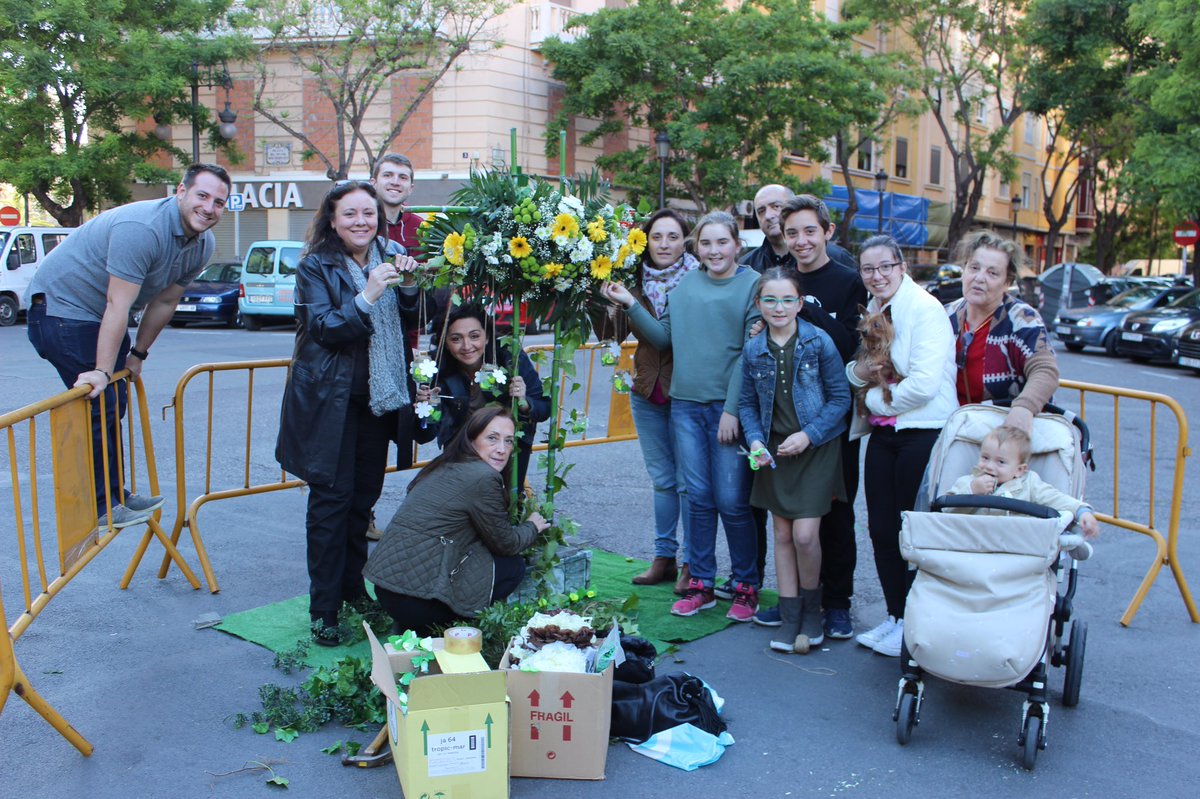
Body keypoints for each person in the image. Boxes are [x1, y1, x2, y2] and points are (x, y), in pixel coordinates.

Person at [26, 163, 232, 528]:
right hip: (61, 311)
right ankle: (102, 507)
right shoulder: (142, 229)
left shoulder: (202, 245)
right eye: (202, 196)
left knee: (112, 401)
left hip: (95, 317)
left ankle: (114, 495)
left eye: (219, 202)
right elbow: (117, 304)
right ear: (180, 192)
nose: (209, 208)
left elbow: (165, 303)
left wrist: (137, 355)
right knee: (98, 399)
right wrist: (103, 371)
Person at [275, 180, 426, 647]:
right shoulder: (315, 266)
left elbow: (412, 316)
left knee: (362, 503)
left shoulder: (390, 253)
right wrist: (369, 294)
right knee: (329, 508)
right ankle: (324, 609)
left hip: (376, 404)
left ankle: (353, 590)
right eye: (350, 214)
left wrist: (409, 284)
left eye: (368, 213)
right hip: (328, 406)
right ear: (332, 220)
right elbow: (323, 328)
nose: (361, 222)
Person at [602, 211, 762, 622]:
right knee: (700, 499)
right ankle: (702, 585)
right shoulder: (687, 285)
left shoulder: (752, 286)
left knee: (731, 500)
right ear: (698, 249)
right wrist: (630, 305)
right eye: (705, 243)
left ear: (736, 245)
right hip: (686, 407)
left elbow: (749, 354)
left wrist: (732, 410)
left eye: (721, 242)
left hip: (726, 410)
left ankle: (746, 586)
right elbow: (662, 338)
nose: (714, 250)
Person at [748, 195, 868, 640]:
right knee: (788, 523)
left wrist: (808, 310)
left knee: (835, 516)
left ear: (827, 233)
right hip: (783, 424)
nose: (800, 241)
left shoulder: (848, 281)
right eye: (792, 232)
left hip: (834, 419)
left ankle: (837, 603)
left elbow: (854, 346)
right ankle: (793, 601)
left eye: (809, 231)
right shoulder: (781, 284)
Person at [846, 235, 957, 658]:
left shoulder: (925, 310)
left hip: (922, 432)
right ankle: (895, 616)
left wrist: (872, 400)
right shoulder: (876, 309)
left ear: (902, 266)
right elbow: (860, 370)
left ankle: (915, 622)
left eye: (885, 267)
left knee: (913, 531)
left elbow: (926, 385)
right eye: (869, 270)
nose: (877, 276)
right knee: (880, 528)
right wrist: (864, 383)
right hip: (886, 433)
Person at [738, 268, 851, 654]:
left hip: (815, 447)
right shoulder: (754, 349)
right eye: (770, 299)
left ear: (800, 303)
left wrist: (809, 435)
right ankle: (789, 618)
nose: (779, 306)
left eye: (787, 299)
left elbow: (840, 399)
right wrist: (754, 440)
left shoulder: (819, 342)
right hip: (774, 451)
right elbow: (748, 404)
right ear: (758, 305)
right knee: (782, 535)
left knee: (805, 535)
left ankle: (812, 611)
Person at [364, 406, 549, 636]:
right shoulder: (483, 477)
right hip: (415, 601)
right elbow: (506, 543)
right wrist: (532, 526)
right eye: (492, 438)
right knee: (513, 566)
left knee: (476, 550)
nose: (502, 449)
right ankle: (446, 623)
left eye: (509, 441)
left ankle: (412, 621)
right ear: (471, 440)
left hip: (386, 590)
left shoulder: (444, 463)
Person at [592, 209, 700, 591]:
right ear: (646, 240)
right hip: (646, 389)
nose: (665, 244)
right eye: (657, 236)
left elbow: (665, 339)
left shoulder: (697, 281)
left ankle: (693, 562)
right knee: (662, 481)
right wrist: (598, 296)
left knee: (688, 482)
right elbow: (612, 333)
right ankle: (664, 558)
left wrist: (630, 304)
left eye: (673, 236)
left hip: (687, 391)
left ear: (685, 241)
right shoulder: (632, 279)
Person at [418, 302, 550, 489]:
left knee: (505, 503)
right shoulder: (434, 367)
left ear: (487, 337)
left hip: (505, 453)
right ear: (445, 343)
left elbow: (544, 408)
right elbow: (424, 435)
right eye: (456, 339)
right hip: (460, 453)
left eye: (474, 336)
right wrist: (426, 410)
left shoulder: (509, 357)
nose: (467, 346)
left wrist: (524, 402)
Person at [945, 231, 1059, 434]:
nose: (979, 278)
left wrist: (1024, 407)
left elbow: (1045, 370)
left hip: (1003, 432)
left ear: (1008, 282)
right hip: (950, 428)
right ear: (963, 271)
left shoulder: (1022, 318)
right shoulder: (946, 315)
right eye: (974, 268)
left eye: (992, 273)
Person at [945, 426, 1100, 539]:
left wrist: (1081, 511)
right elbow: (945, 512)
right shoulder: (969, 481)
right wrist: (972, 491)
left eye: (1001, 462)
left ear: (1019, 470)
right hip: (971, 542)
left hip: (1016, 546)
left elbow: (1055, 498)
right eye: (985, 458)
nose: (990, 466)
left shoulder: (1029, 484)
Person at [740, 183, 858, 275]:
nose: (768, 215)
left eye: (776, 206)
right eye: (761, 211)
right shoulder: (747, 265)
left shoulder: (836, 257)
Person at [372, 153, 424, 254]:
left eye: (403, 177)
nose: (395, 182)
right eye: (387, 175)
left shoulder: (420, 227)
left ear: (411, 188)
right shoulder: (363, 225)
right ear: (374, 183)